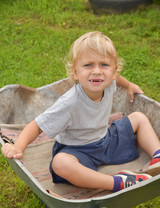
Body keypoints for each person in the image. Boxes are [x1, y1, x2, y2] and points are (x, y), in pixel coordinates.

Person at [2, 31, 160, 192]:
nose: (97, 71)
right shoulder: (69, 103)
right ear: (75, 73)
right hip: (77, 151)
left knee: (139, 117)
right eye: (88, 65)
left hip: (105, 139)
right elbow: (36, 125)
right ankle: (117, 182)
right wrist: (18, 147)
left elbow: (117, 79)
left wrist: (128, 85)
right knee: (60, 163)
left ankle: (158, 156)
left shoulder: (109, 83)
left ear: (113, 72)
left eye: (104, 65)